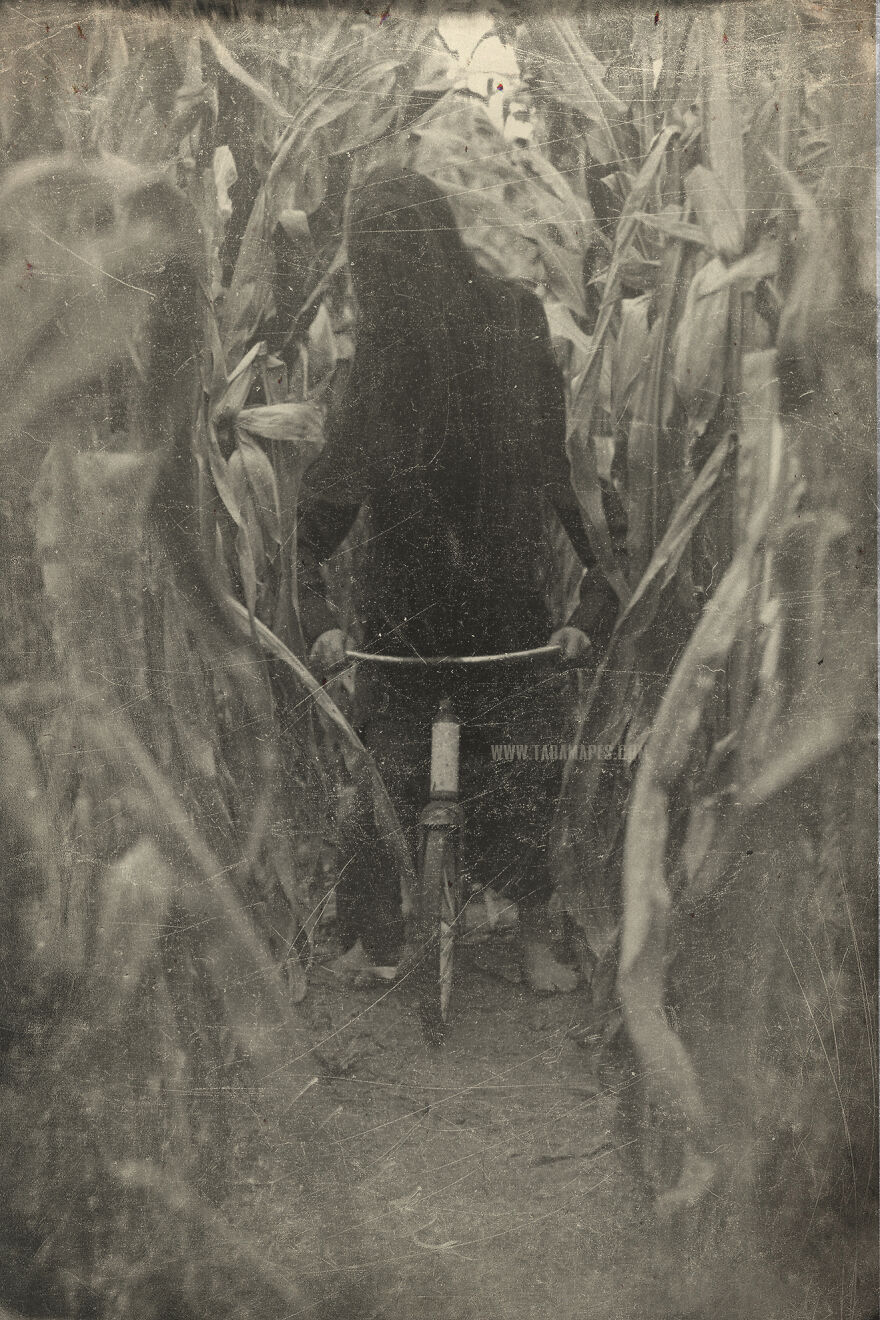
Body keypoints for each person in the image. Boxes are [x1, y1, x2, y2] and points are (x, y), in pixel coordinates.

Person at [298, 165, 620, 993]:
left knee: (493, 767)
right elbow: (325, 508)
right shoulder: (402, 349)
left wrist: (592, 598)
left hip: (478, 604)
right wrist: (318, 617)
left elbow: (558, 468)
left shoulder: (506, 322)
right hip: (430, 606)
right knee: (406, 771)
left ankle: (514, 935)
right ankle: (398, 937)